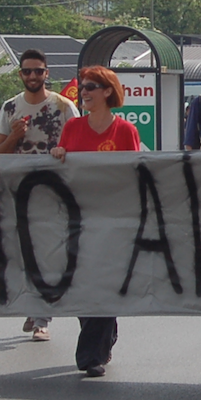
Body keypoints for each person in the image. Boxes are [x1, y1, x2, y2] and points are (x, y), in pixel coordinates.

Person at [50, 67, 141, 377]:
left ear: (107, 91)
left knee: (104, 282)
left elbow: (133, 175)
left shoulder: (125, 131)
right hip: (77, 220)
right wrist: (58, 154)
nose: (84, 92)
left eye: (91, 87)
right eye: (83, 87)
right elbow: (62, 171)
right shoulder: (73, 128)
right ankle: (103, 334)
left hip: (112, 220)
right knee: (82, 285)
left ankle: (92, 354)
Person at [0, 49, 80, 342]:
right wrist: (16, 136)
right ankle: (33, 305)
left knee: (48, 254)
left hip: (56, 192)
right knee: (22, 253)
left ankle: (43, 317)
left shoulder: (64, 106)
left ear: (46, 74)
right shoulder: (9, 108)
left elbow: (78, 147)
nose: (32, 76)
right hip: (18, 191)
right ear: (20, 74)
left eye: (38, 71)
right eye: (27, 71)